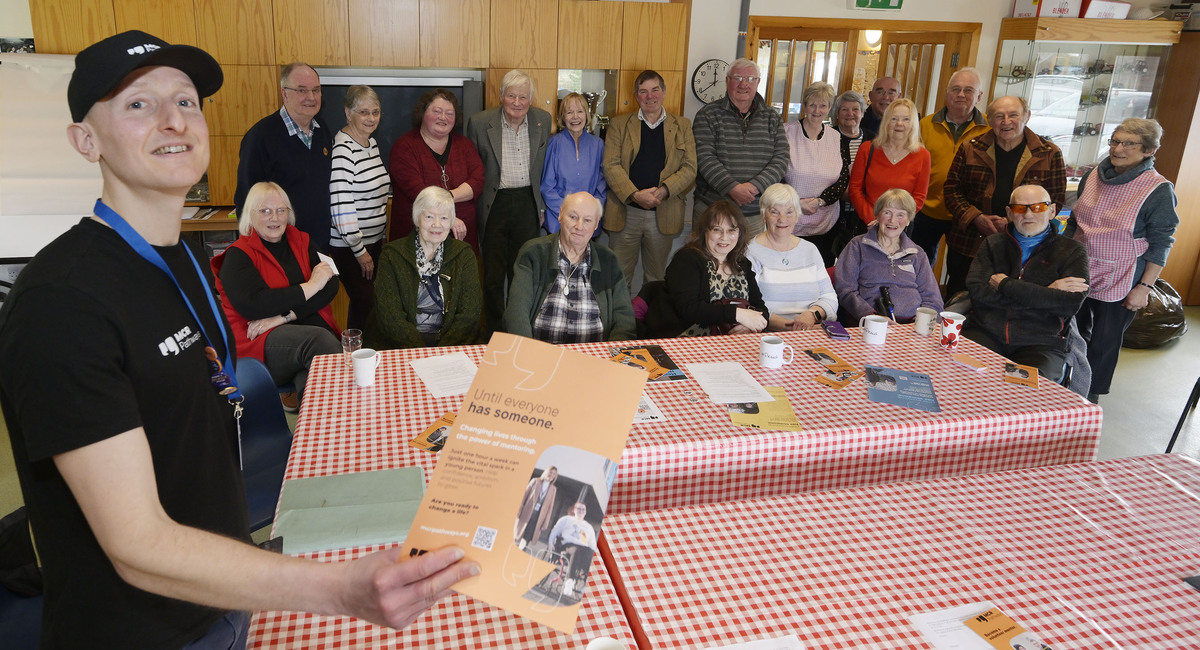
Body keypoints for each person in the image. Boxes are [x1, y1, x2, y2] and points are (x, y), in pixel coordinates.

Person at [0, 31, 477, 649]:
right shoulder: (62, 300)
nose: (173, 119)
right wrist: (337, 589)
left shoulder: (181, 264)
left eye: (186, 101)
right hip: (145, 631)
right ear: (84, 139)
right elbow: (138, 545)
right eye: (138, 105)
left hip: (225, 597)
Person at [1066, 117, 1179, 403]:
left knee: (1104, 342)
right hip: (1082, 265)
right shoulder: (1093, 175)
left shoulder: (1158, 189)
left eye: (1129, 143)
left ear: (1149, 150)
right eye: (1115, 141)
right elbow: (1075, 221)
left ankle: (1089, 400)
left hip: (1124, 275)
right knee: (1071, 330)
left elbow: (1161, 243)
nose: (1118, 148)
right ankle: (1066, 387)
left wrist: (1144, 287)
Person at [213, 182, 341, 404]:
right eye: (265, 211)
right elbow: (254, 305)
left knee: (311, 372)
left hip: (295, 333)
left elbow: (331, 285)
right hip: (255, 340)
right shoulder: (237, 256)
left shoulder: (301, 240)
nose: (275, 217)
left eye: (281, 210)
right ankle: (341, 418)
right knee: (319, 341)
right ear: (250, 215)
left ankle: (318, 430)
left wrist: (283, 317)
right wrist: (311, 286)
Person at [964, 184, 1089, 382]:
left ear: (1052, 211)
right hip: (985, 334)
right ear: (1009, 213)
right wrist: (1045, 293)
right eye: (1020, 208)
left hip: (1039, 344)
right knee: (961, 379)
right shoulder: (992, 244)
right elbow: (978, 292)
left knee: (1022, 393)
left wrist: (1006, 285)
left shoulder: (1073, 251)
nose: (1028, 214)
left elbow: (1069, 304)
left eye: (1038, 207)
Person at [945, 96, 1066, 298]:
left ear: (1027, 117)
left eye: (1013, 115)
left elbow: (1056, 201)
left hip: (1024, 249)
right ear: (990, 120)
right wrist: (976, 218)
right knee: (960, 299)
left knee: (1010, 302)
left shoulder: (1048, 153)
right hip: (970, 243)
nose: (1006, 121)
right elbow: (951, 190)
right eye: (999, 116)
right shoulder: (971, 147)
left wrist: (1014, 222)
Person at [465, 70, 552, 334]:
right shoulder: (480, 122)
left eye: (523, 96)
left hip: (527, 202)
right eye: (511, 95)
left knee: (523, 273)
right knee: (492, 276)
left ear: (531, 99)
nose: (517, 102)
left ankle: (520, 330)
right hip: (494, 204)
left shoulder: (543, 120)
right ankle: (493, 333)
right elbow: (473, 167)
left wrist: (540, 206)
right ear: (501, 96)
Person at [602, 70, 697, 291]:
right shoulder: (619, 124)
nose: (650, 96)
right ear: (636, 96)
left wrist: (663, 191)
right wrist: (636, 195)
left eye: (655, 90)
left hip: (663, 213)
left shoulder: (682, 125)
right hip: (626, 212)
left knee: (655, 281)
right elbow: (611, 165)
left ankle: (650, 325)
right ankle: (620, 325)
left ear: (663, 92)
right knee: (618, 279)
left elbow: (690, 168)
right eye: (643, 92)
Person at [503, 193, 635, 343]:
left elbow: (624, 321)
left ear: (596, 224)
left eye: (587, 220)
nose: (579, 226)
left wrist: (611, 356)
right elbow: (516, 312)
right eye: (573, 217)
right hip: (541, 355)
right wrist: (526, 352)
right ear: (560, 215)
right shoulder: (534, 253)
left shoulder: (609, 261)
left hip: (594, 358)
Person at [366, 187, 482, 349]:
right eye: (429, 217)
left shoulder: (464, 255)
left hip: (451, 346)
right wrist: (420, 351)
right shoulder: (391, 255)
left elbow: (469, 314)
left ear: (451, 222)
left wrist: (443, 350)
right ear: (417, 219)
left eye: (443, 218)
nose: (437, 225)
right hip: (399, 346)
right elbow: (391, 316)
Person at [236, 62, 334, 251]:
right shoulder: (260, 137)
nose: (311, 97)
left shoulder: (323, 131)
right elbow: (246, 200)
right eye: (302, 90)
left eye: (316, 90)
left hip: (318, 246)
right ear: (284, 93)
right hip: (280, 250)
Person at [644, 199, 770, 338]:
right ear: (705, 232)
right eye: (717, 230)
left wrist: (747, 325)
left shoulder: (742, 263)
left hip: (731, 343)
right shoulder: (687, 259)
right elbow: (689, 309)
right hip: (685, 340)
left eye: (731, 230)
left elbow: (761, 308)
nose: (724, 237)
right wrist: (737, 314)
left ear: (739, 233)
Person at [692, 57, 789, 237]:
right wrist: (733, 188)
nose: (744, 84)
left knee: (748, 264)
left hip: (754, 214)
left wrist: (755, 186)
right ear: (727, 81)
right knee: (705, 262)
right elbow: (704, 157)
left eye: (751, 79)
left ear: (758, 82)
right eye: (737, 78)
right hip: (712, 211)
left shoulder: (772, 117)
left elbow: (781, 158)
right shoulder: (707, 114)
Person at [388, 89, 485, 254]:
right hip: (416, 239)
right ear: (423, 113)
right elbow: (417, 190)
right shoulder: (404, 147)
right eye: (437, 111)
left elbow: (477, 180)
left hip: (460, 239)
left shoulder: (465, 145)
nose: (443, 117)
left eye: (449, 113)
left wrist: (449, 197)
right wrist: (448, 219)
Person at [913, 68, 990, 266]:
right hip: (927, 211)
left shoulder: (989, 128)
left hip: (967, 212)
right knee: (921, 264)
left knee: (960, 268)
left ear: (979, 96)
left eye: (968, 90)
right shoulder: (925, 125)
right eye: (956, 89)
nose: (961, 94)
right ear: (947, 94)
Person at [329, 85, 390, 331]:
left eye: (375, 112)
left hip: (374, 242)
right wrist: (359, 249)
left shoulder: (370, 144)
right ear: (348, 113)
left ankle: (366, 354)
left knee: (367, 305)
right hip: (351, 247)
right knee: (365, 302)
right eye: (363, 112)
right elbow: (341, 202)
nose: (371, 118)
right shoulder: (343, 149)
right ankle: (355, 356)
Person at [835, 188, 943, 323]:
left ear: (909, 220)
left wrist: (921, 322)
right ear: (877, 215)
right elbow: (845, 290)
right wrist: (871, 316)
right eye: (887, 213)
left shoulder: (917, 253)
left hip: (913, 326)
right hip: (871, 323)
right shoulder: (857, 246)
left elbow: (933, 298)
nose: (893, 220)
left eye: (900, 215)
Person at [744, 184, 838, 331]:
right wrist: (793, 328)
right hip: (768, 334)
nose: (782, 219)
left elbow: (830, 297)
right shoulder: (750, 251)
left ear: (797, 216)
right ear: (763, 215)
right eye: (774, 212)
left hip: (811, 329)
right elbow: (749, 304)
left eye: (789, 212)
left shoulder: (810, 250)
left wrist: (812, 315)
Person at [782, 82, 849, 266]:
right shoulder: (786, 133)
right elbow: (776, 174)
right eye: (812, 104)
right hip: (788, 221)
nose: (817, 110)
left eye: (823, 105)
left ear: (829, 108)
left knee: (820, 274)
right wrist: (796, 202)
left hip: (826, 225)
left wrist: (820, 201)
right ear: (804, 105)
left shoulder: (837, 138)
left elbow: (843, 179)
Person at [848, 98, 931, 227]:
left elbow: (919, 197)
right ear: (886, 122)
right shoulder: (867, 149)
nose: (899, 123)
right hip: (868, 223)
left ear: (913, 124)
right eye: (894, 118)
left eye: (906, 119)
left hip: (900, 227)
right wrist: (871, 219)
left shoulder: (923, 155)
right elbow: (854, 189)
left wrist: (896, 221)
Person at [541, 92, 606, 234]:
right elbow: (547, 186)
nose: (575, 117)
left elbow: (602, 186)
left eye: (580, 111)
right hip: (559, 219)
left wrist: (589, 212)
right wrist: (568, 213)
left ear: (587, 115)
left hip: (589, 221)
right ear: (563, 117)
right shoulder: (554, 144)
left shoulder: (598, 145)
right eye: (569, 112)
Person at [830, 90, 868, 251]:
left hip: (864, 214)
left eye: (855, 109)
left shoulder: (874, 140)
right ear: (837, 113)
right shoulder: (827, 137)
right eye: (844, 109)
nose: (850, 114)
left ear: (863, 113)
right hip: (832, 214)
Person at [546, 502, 598, 594]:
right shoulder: (566, 519)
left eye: (583, 509)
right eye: (579, 508)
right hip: (567, 546)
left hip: (583, 549)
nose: (581, 511)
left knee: (592, 554)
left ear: (585, 512)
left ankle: (587, 583)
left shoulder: (589, 527)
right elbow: (555, 531)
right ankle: (569, 582)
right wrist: (550, 542)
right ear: (574, 510)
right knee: (576, 550)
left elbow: (592, 545)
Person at [514, 466, 558, 550]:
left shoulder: (553, 489)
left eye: (554, 474)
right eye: (550, 472)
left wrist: (545, 523)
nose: (551, 475)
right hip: (526, 513)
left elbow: (550, 508)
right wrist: (519, 511)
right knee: (518, 534)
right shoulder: (535, 481)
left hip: (538, 518)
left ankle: (521, 551)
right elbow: (524, 497)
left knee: (527, 538)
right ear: (546, 472)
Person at [860, 76, 901, 141]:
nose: (886, 97)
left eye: (891, 93)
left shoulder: (907, 126)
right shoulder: (858, 122)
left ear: (899, 98)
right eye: (880, 92)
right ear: (871, 96)